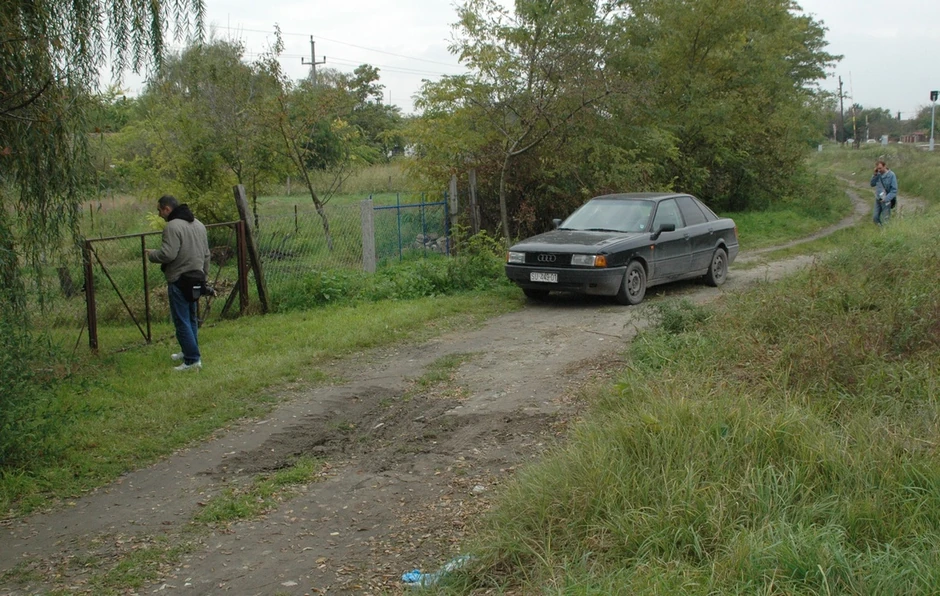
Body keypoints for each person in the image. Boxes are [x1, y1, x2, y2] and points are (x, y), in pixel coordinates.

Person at [148, 195, 211, 371]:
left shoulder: (172, 226)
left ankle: (192, 359)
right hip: (197, 277)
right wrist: (204, 275)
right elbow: (206, 254)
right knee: (191, 317)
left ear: (167, 209)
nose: (159, 214)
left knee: (181, 319)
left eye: (160, 210)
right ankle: (188, 350)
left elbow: (168, 254)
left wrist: (152, 254)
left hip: (179, 278)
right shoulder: (199, 224)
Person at [870, 159, 898, 225]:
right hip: (878, 198)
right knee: (875, 217)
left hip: (887, 200)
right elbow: (872, 184)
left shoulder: (891, 175)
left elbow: (894, 190)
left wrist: (886, 199)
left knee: (886, 219)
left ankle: (885, 232)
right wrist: (875, 175)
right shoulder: (878, 174)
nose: (879, 170)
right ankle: (880, 229)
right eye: (878, 169)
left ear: (885, 166)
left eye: (880, 168)